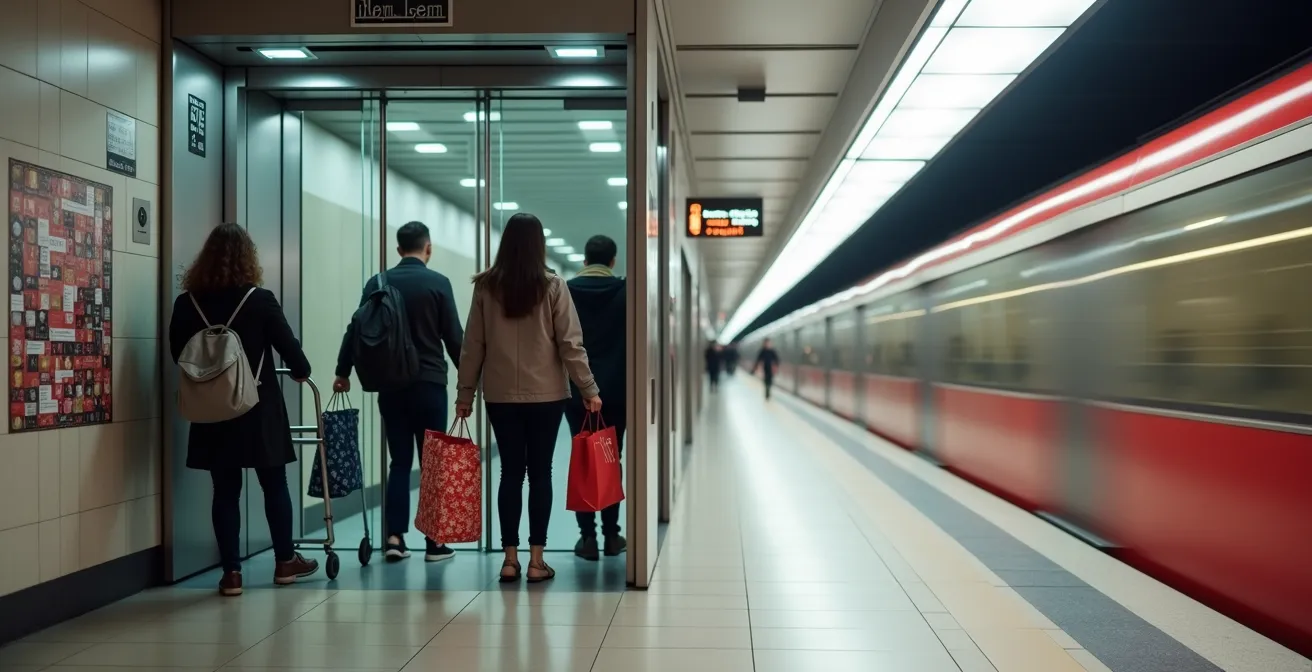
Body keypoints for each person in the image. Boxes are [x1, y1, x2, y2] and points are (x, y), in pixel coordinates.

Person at [168, 223, 319, 596]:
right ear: (247, 258)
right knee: (274, 483)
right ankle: (285, 562)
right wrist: (300, 370)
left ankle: (231, 574)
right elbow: (291, 352)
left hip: (212, 410)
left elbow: (177, 354)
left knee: (224, 490)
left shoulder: (187, 303)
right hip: (257, 407)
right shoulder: (259, 299)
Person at [455, 213, 602, 584]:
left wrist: (464, 393)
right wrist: (589, 389)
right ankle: (537, 561)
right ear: (540, 245)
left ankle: (509, 560)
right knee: (540, 473)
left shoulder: (485, 287)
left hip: (500, 394)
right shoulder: (553, 286)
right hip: (546, 395)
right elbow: (570, 344)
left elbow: (473, 345)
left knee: (509, 472)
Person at [334, 221, 464, 564]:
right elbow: (454, 337)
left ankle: (394, 538)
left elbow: (356, 327)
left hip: (391, 385)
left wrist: (342, 371)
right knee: (432, 463)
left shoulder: (378, 282)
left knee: (400, 462)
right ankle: (434, 544)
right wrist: (470, 379)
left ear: (398, 249)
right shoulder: (438, 283)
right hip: (430, 384)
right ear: (428, 248)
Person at [564, 235, 627, 561]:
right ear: (612, 261)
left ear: (585, 260)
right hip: (617, 392)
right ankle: (612, 535)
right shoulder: (626, 291)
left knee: (583, 459)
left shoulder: (566, 291)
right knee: (610, 459)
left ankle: (587, 538)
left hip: (575, 391)